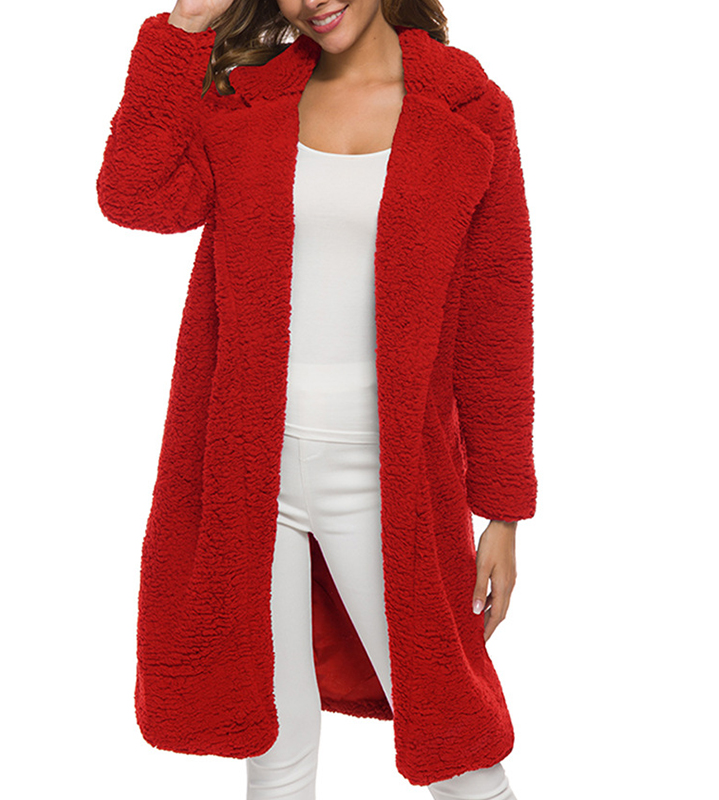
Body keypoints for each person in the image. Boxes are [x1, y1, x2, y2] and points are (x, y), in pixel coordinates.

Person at [97, 1, 537, 798]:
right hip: (248, 470)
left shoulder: (471, 113)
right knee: (275, 744)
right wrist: (186, 26)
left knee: (454, 736)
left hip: (385, 477)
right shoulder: (250, 101)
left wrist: (502, 513)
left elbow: (495, 318)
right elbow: (135, 194)